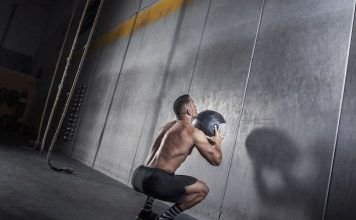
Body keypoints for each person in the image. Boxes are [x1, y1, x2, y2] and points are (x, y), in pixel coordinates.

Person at [131, 94, 224, 220]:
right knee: (203, 190)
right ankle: (163, 219)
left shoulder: (166, 126)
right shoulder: (193, 132)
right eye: (194, 105)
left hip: (138, 176)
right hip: (156, 182)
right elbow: (216, 160)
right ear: (189, 111)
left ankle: (145, 212)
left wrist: (206, 142)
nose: (196, 107)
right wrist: (218, 142)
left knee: (165, 172)